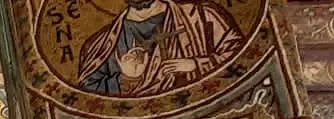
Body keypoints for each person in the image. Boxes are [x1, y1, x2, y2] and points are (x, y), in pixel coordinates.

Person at [78, 0, 244, 95]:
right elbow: (87, 97)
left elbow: (242, 56)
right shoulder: (99, 45)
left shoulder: (201, 16)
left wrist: (196, 64)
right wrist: (126, 80)